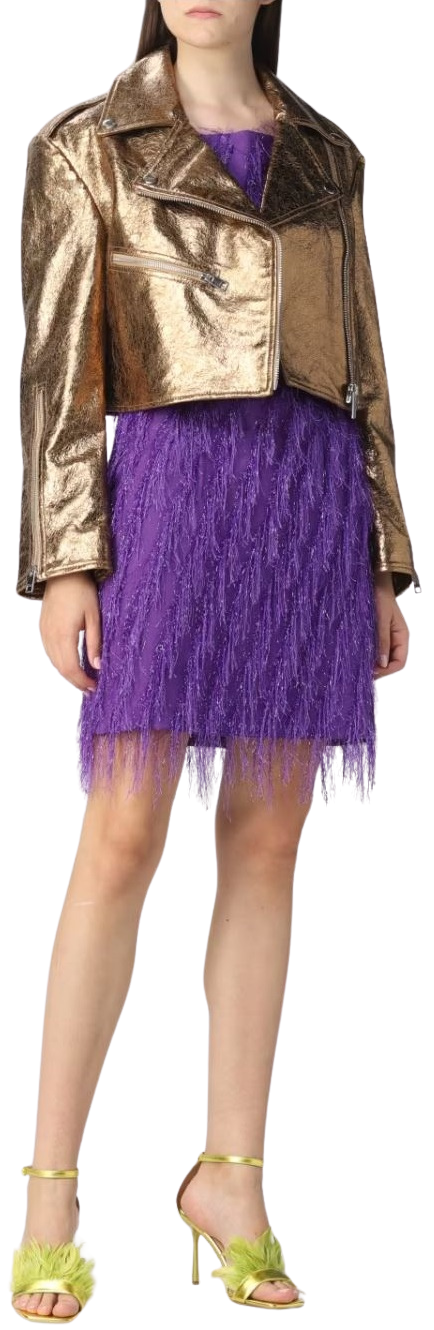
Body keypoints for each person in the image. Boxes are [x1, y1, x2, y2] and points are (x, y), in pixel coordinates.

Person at [10, 0, 419, 1318]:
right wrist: (68, 558)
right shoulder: (87, 141)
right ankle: (50, 1198)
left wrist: (380, 559)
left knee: (269, 838)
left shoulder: (329, 156)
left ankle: (231, 1179)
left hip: (305, 502)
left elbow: (363, 368)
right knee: (122, 831)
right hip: (165, 495)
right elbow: (58, 367)